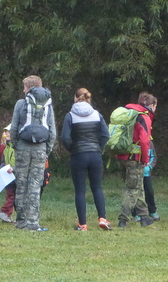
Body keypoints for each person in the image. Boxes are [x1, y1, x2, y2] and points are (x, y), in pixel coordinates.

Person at [9, 75, 56, 232]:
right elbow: (52, 131)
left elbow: (14, 128)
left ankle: (21, 220)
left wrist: (16, 145)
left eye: (24, 87)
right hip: (40, 148)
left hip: (23, 147)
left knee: (21, 184)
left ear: (29, 88)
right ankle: (33, 222)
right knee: (35, 185)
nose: (23, 90)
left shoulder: (21, 104)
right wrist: (47, 149)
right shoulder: (48, 105)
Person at [61, 87, 111, 231]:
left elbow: (65, 138)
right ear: (88, 99)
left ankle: (82, 224)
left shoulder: (70, 116)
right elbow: (106, 135)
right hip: (95, 154)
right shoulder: (97, 114)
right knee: (97, 187)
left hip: (79, 155)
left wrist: (73, 149)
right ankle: (103, 218)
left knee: (80, 190)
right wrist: (98, 147)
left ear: (75, 98)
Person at [115, 92, 157, 228]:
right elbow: (144, 141)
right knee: (132, 189)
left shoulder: (128, 113)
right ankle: (123, 219)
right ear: (152, 105)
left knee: (138, 187)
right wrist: (145, 159)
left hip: (121, 155)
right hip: (134, 158)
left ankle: (144, 217)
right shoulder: (143, 117)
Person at [0, 124, 16, 223]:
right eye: (6, 131)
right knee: (10, 195)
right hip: (8, 176)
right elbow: (3, 162)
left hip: (17, 175)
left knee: (15, 196)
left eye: (9, 131)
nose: (6, 133)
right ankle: (5, 213)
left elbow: (22, 162)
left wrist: (14, 168)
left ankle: (5, 213)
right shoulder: (6, 148)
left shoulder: (17, 148)